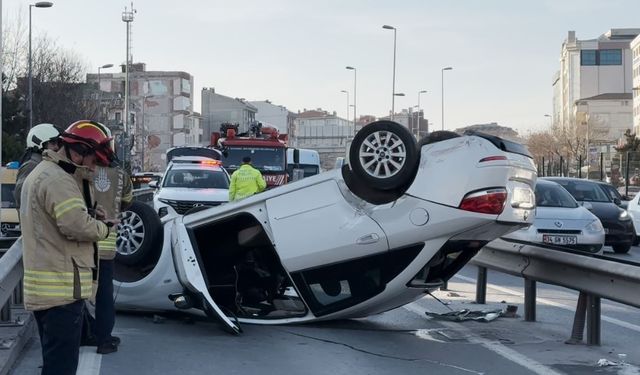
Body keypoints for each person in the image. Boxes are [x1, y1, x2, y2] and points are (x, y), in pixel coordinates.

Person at [20, 120, 118, 375]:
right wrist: (104, 227)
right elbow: (75, 226)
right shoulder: (59, 180)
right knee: (61, 367)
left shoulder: (44, 172)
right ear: (78, 150)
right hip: (60, 290)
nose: (94, 167)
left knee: (54, 362)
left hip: (50, 287)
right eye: (93, 160)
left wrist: (88, 213)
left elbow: (59, 219)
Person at [90, 124, 133, 355]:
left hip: (81, 242)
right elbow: (128, 201)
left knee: (76, 294)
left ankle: (83, 333)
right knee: (104, 295)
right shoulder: (120, 174)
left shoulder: (79, 170)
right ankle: (104, 339)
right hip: (106, 245)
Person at [14, 123, 61, 208]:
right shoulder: (31, 166)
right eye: (53, 143)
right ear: (39, 142)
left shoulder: (46, 164)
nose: (57, 147)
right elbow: (21, 196)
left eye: (58, 143)